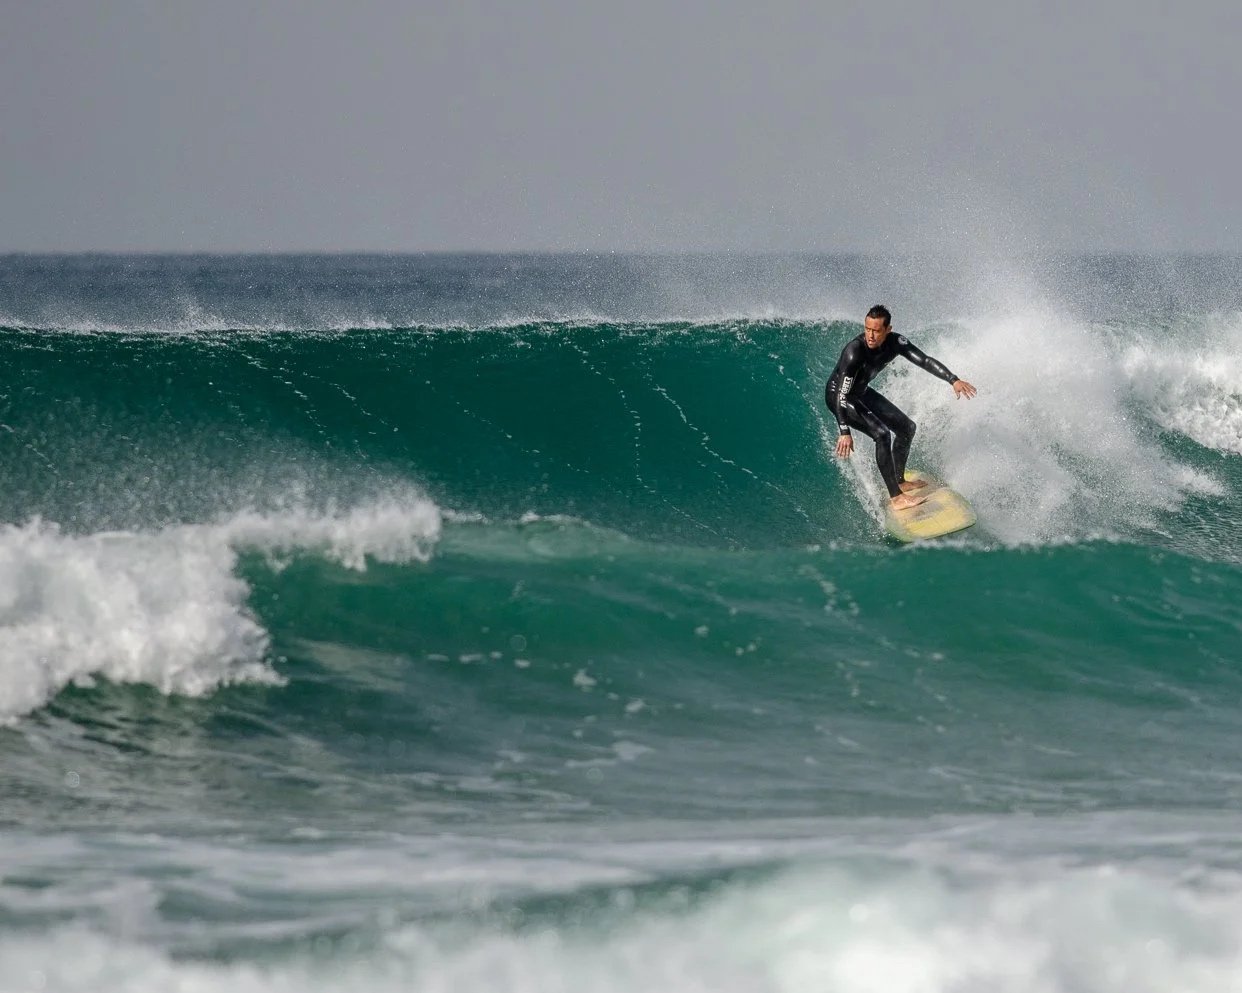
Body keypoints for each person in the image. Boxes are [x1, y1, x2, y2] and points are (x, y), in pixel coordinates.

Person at [826, 305, 977, 511]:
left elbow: (924, 360)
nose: (870, 335)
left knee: (907, 428)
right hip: (839, 396)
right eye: (867, 329)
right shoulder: (855, 351)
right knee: (882, 433)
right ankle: (896, 497)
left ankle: (899, 480)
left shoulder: (895, 342)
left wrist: (953, 380)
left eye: (876, 330)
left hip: (860, 392)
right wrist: (844, 430)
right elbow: (842, 394)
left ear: (888, 330)